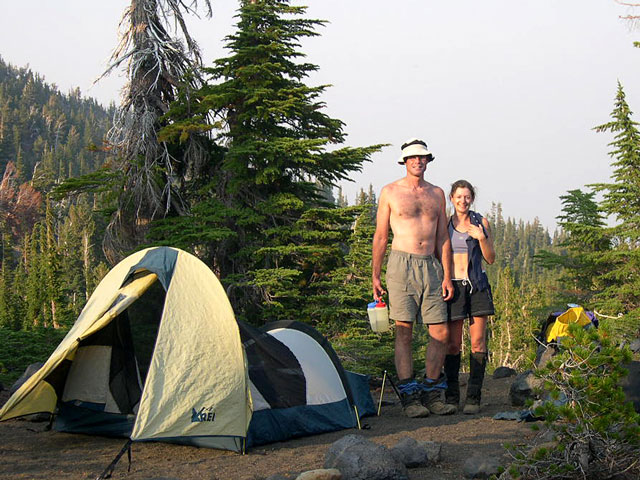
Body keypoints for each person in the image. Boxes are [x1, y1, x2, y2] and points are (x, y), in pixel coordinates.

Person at [372, 138, 456, 418]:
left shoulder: (437, 193)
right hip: (401, 264)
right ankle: (410, 398)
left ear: (428, 161)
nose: (418, 162)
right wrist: (375, 275)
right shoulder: (390, 192)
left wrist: (447, 275)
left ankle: (432, 391)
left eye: (423, 158)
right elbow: (381, 236)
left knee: (440, 332)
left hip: (431, 267)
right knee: (404, 330)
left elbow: (443, 236)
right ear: (405, 162)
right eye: (413, 158)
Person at [444, 180, 496, 414]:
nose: (463, 201)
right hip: (453, 287)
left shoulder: (480, 222)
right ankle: (452, 396)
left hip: (477, 286)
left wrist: (482, 238)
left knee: (477, 343)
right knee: (453, 344)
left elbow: (491, 258)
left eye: (467, 197)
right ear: (451, 198)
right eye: (459, 197)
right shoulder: (445, 224)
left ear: (471, 198)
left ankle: (473, 397)